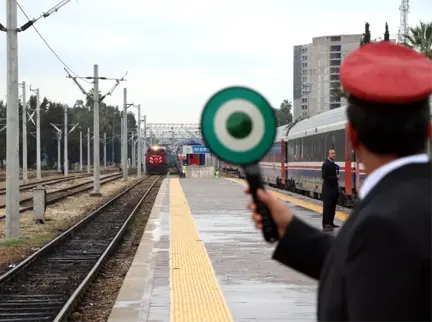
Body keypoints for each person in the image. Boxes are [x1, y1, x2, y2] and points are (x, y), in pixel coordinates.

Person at [246, 41, 432, 321]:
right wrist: (292, 231)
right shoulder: (410, 203)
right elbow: (368, 271)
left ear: (352, 136)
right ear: (427, 131)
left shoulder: (382, 223)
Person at [321, 149, 339, 231]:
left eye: (334, 153)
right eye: (332, 153)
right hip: (328, 189)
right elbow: (324, 176)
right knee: (327, 207)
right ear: (328, 154)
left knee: (333, 206)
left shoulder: (333, 164)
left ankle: (331, 222)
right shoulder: (326, 164)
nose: (334, 155)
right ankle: (326, 223)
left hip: (334, 188)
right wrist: (335, 178)